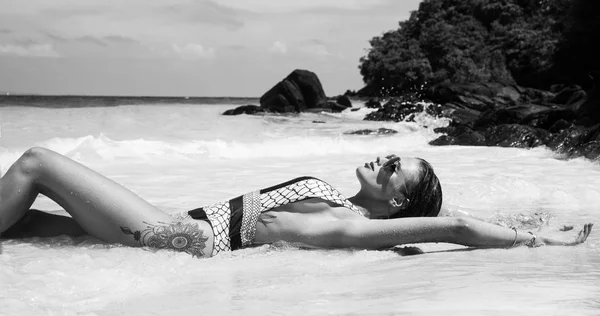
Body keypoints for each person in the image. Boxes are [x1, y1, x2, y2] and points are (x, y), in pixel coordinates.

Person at [0, 147, 593, 258]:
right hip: (176, 227)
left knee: (36, 163)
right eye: (393, 156)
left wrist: (537, 241)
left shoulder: (348, 223)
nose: (386, 160)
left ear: (397, 207)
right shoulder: (343, 202)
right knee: (21, 224)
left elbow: (456, 225)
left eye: (396, 172)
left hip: (173, 237)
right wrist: (526, 219)